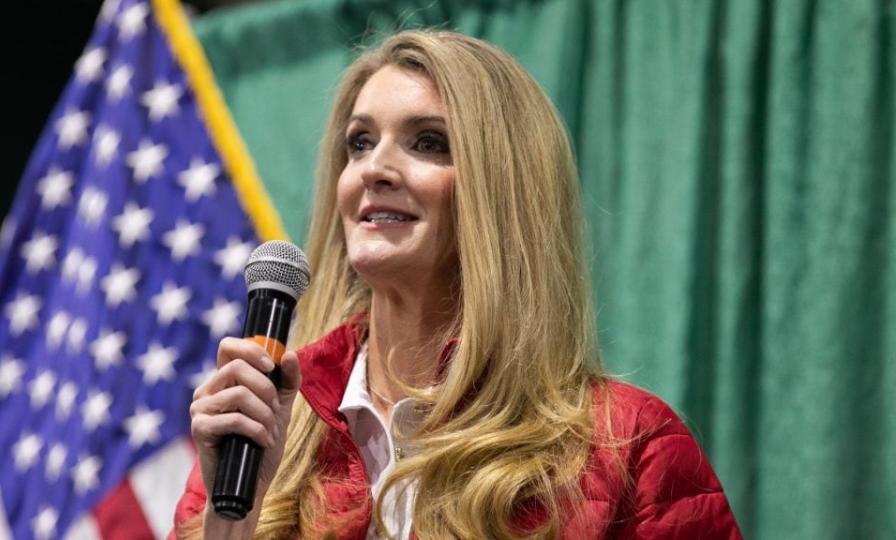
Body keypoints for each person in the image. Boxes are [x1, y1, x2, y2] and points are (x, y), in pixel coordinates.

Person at [172, 30, 742, 539]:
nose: (374, 169)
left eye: (428, 142)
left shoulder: (631, 445)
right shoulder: (264, 433)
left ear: (505, 190)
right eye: (360, 142)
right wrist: (230, 526)